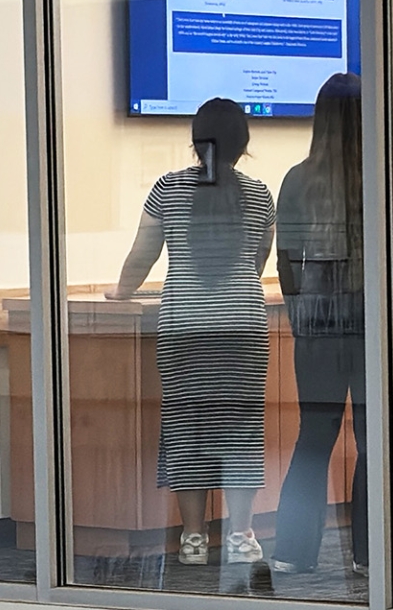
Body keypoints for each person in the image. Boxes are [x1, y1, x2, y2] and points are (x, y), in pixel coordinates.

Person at [269, 73, 393, 575]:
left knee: (315, 436)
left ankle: (291, 553)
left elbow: (286, 263)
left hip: (320, 327)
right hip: (381, 324)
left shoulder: (297, 178)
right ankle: (371, 556)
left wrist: (301, 317)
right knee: (375, 440)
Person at [107, 98, 275, 567]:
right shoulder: (259, 194)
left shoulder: (168, 188)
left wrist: (122, 292)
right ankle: (241, 536)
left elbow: (143, 254)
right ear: (244, 144)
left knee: (187, 428)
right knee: (241, 429)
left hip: (185, 325)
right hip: (242, 325)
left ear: (195, 140)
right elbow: (258, 263)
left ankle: (194, 539)